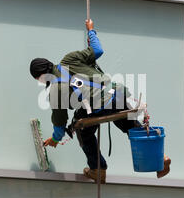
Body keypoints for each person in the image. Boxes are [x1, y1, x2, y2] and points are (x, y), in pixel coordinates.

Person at [29, 19, 171, 183]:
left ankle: (98, 170)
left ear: (40, 76)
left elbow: (60, 123)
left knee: (83, 130)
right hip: (116, 93)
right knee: (131, 127)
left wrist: (55, 139)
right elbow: (97, 50)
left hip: (98, 106)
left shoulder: (55, 90)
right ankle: (161, 159)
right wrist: (91, 30)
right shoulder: (69, 59)